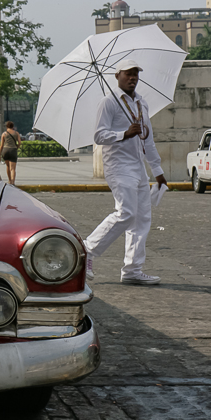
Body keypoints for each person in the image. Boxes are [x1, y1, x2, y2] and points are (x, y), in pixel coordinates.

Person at [84, 59, 167, 285]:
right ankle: (87, 249)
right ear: (117, 75)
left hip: (139, 166)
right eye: (128, 74)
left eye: (136, 74)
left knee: (142, 218)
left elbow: (147, 138)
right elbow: (99, 136)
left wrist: (157, 169)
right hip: (119, 166)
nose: (133, 78)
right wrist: (124, 134)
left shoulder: (141, 103)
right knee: (126, 213)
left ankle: (132, 269)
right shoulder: (108, 102)